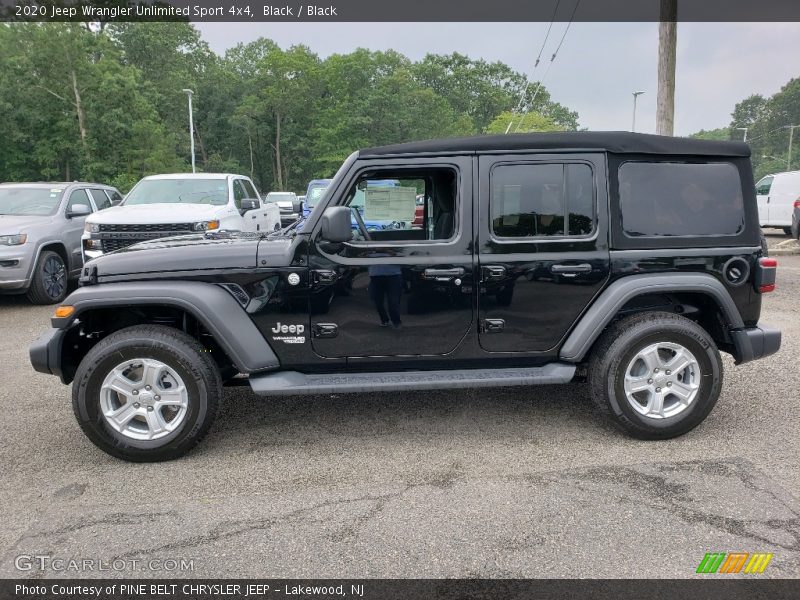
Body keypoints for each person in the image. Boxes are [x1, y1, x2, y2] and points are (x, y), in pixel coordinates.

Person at [368, 264, 403, 329]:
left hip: (393, 274)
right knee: (377, 300)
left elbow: (402, 256)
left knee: (393, 300)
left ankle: (396, 321)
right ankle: (384, 320)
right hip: (375, 275)